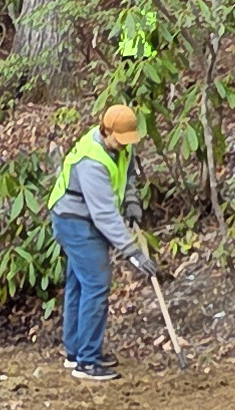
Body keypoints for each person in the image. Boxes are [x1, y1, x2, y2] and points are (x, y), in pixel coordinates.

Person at [47, 104, 157, 381]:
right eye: (120, 141)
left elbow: (129, 174)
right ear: (106, 130)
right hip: (73, 220)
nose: (124, 146)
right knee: (96, 284)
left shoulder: (122, 144)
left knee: (79, 283)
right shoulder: (91, 161)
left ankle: (75, 353)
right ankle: (87, 360)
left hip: (87, 217)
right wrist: (134, 254)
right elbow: (105, 215)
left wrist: (132, 202)